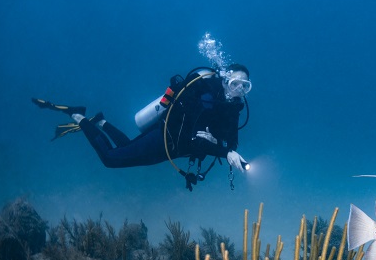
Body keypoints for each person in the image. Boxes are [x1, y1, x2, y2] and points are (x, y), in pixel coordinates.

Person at [33, 64, 252, 190]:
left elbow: (231, 142)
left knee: (126, 148)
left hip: (173, 150)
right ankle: (78, 115)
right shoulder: (206, 97)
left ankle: (100, 122)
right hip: (164, 139)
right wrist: (224, 150)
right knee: (111, 159)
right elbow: (198, 141)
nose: (239, 90)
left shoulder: (233, 109)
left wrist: (231, 152)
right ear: (224, 81)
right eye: (235, 84)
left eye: (245, 86)